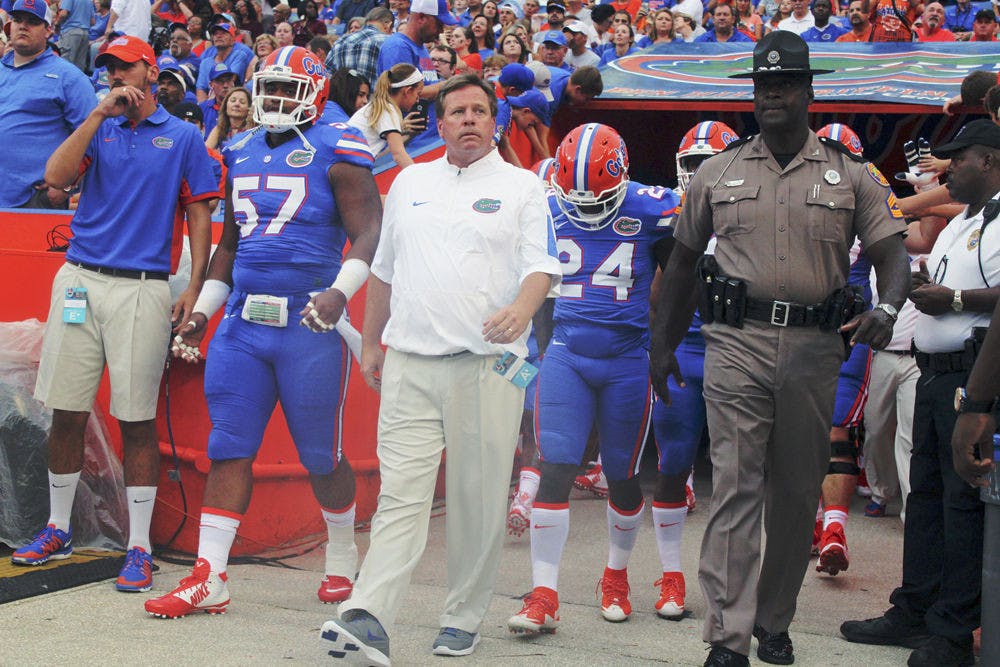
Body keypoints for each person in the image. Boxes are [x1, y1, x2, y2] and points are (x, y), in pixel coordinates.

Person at [649, 32, 910, 666]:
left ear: (807, 92)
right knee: (737, 486)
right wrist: (660, 349)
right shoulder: (719, 171)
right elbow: (681, 265)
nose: (772, 96)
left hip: (817, 351)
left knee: (795, 495)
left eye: (785, 85)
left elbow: (892, 254)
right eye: (763, 87)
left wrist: (887, 306)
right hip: (736, 343)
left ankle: (773, 619)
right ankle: (728, 638)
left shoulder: (851, 175)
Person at [321, 73, 561, 664]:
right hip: (409, 362)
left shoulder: (523, 187)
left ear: (496, 122)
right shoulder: (408, 182)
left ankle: (462, 619)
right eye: (458, 112)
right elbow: (383, 269)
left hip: (490, 367)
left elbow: (543, 268)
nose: (470, 120)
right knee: (401, 496)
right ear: (440, 122)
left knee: (477, 502)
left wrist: (521, 309)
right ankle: (369, 614)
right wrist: (372, 343)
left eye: (481, 111)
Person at [145, 44, 381, 619]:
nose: (274, 100)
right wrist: (203, 311)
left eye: (286, 89)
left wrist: (338, 293)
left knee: (321, 455)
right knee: (229, 445)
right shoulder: (242, 148)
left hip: (308, 321)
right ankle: (211, 576)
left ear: (314, 93)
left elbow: (372, 230)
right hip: (245, 322)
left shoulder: (339, 146)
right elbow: (229, 246)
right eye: (268, 88)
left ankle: (342, 553)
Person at [12, 37, 217, 595]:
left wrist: (194, 288)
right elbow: (55, 179)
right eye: (108, 68)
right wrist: (99, 112)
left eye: (125, 66)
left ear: (150, 71)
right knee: (66, 409)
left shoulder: (183, 135)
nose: (116, 76)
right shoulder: (98, 123)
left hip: (144, 286)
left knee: (136, 418)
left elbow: (199, 214)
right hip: (80, 276)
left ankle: (141, 546)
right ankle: (57, 527)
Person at [506, 122, 679, 634]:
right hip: (567, 351)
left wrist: (663, 344)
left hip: (627, 357)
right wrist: (532, 352)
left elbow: (683, 276)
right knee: (555, 467)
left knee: (622, 476)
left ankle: (617, 575)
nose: (584, 206)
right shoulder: (545, 202)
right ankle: (543, 594)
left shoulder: (652, 206)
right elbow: (533, 281)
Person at [841, 118, 1000, 667]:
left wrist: (953, 300)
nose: (948, 168)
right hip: (932, 370)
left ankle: (954, 630)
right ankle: (915, 608)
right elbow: (924, 270)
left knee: (961, 505)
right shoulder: (964, 221)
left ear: (990, 161)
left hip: (969, 377)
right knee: (926, 498)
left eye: (960, 158)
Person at [646, 119, 740, 622]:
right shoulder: (668, 213)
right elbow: (659, 295)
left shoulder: (755, 207)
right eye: (691, 164)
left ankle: (732, 577)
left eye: (709, 162)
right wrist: (655, 348)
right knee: (674, 462)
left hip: (737, 349)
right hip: (686, 350)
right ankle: (671, 573)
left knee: (741, 473)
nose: (699, 173)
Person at [0, 0, 96, 210]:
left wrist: (67, 185)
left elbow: (92, 134)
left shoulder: (68, 77)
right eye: (17, 20)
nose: (23, 26)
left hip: (34, 199)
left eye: (33, 21)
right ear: (9, 26)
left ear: (48, 30)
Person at [349, 63, 423, 168]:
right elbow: (398, 155)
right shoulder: (388, 110)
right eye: (418, 94)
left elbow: (380, 154)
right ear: (408, 91)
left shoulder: (380, 106)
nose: (418, 100)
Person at [326, 6, 393, 90]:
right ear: (388, 25)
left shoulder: (341, 41)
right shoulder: (388, 42)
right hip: (375, 101)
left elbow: (326, 75)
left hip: (342, 101)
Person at [195, 21, 253, 102]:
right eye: (215, 34)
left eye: (223, 33)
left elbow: (229, 82)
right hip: (211, 102)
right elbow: (201, 89)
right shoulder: (205, 62)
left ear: (233, 39)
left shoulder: (239, 55)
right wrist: (204, 108)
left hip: (232, 99)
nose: (218, 36)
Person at [198, 62, 241, 139]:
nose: (225, 85)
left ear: (233, 83)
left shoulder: (241, 108)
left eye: (228, 81)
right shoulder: (202, 109)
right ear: (211, 85)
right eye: (220, 81)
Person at [55, 0, 94, 72]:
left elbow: (63, 14)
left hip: (71, 32)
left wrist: (57, 23)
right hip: (85, 33)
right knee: (80, 66)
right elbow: (92, 21)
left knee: (66, 63)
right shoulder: (89, 1)